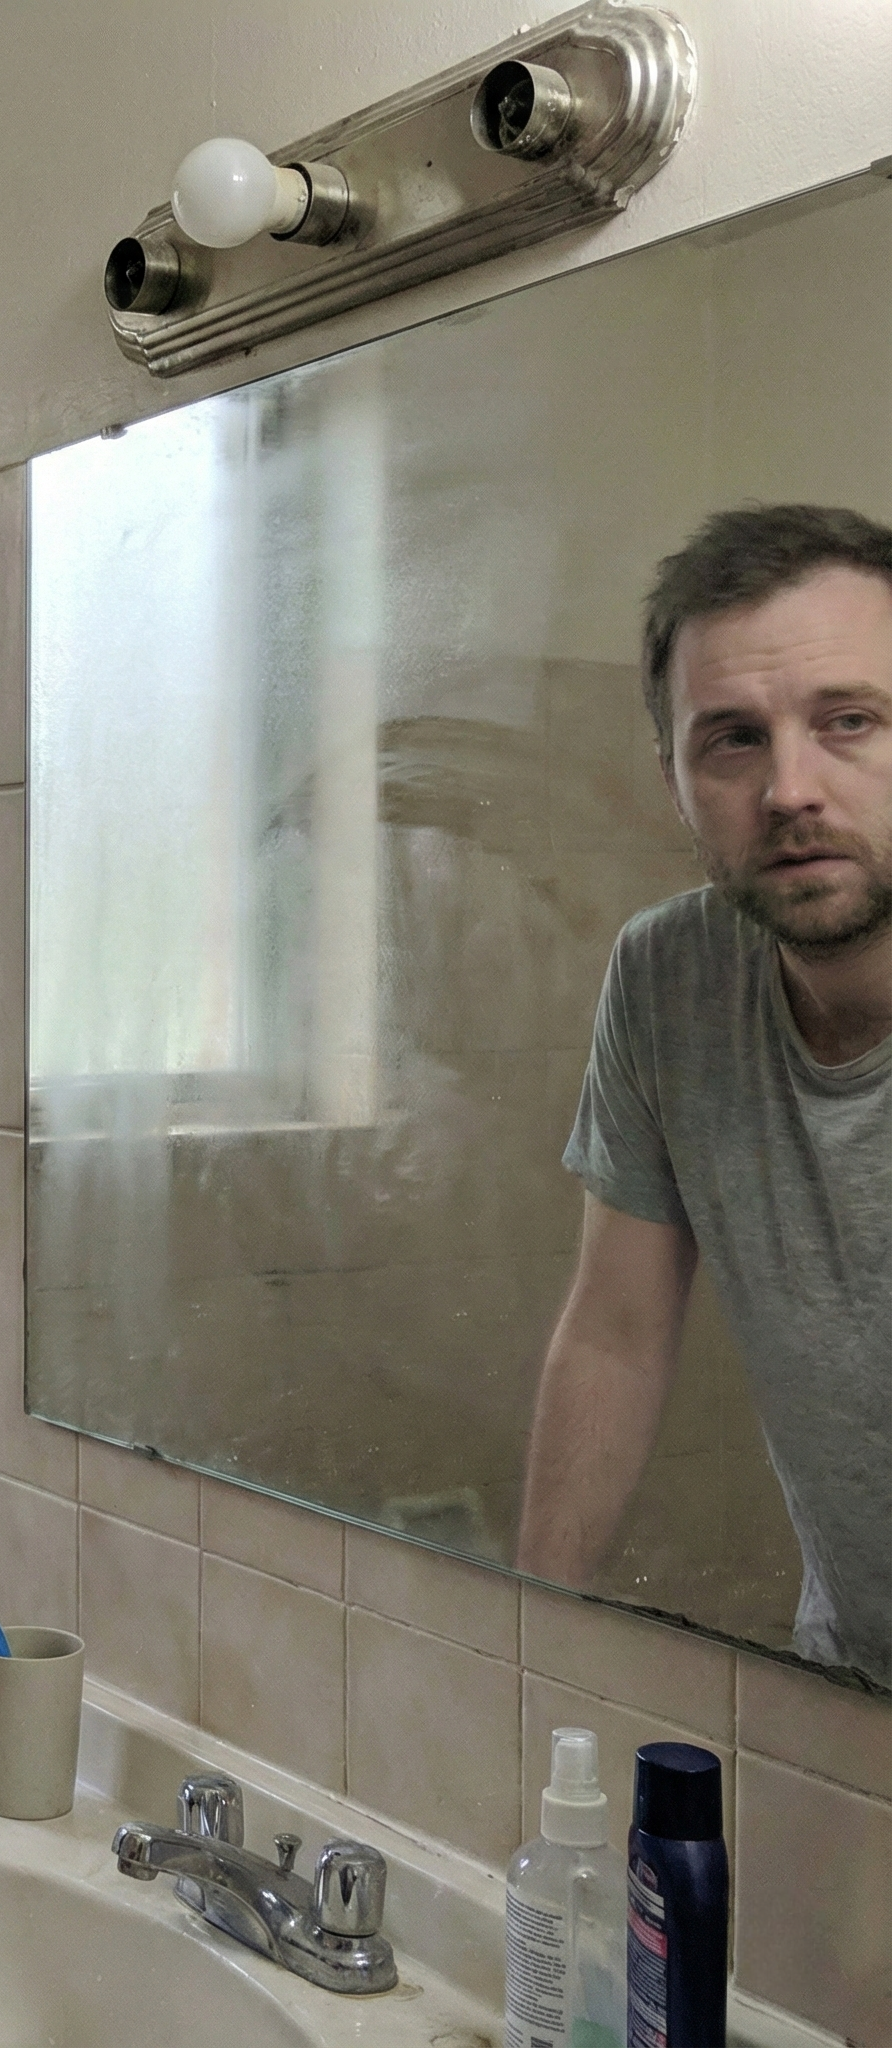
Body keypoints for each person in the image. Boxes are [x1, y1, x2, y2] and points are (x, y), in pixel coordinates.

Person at [517, 503, 892, 1684]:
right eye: (730, 739)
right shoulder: (666, 976)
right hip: (845, 1689)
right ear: (673, 782)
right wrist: (523, 1645)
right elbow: (614, 1336)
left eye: (847, 721)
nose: (788, 789)